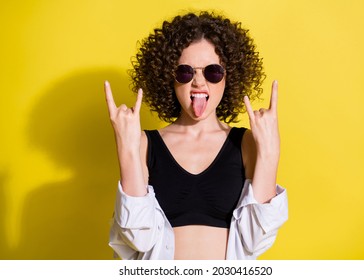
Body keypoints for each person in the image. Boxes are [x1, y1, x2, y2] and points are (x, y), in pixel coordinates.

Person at [106, 11, 288, 260]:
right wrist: (126, 146)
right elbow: (139, 238)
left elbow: (256, 240)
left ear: (229, 76)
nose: (199, 82)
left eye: (213, 72)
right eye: (185, 72)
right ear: (168, 77)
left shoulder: (246, 144)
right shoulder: (144, 144)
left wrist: (270, 152)